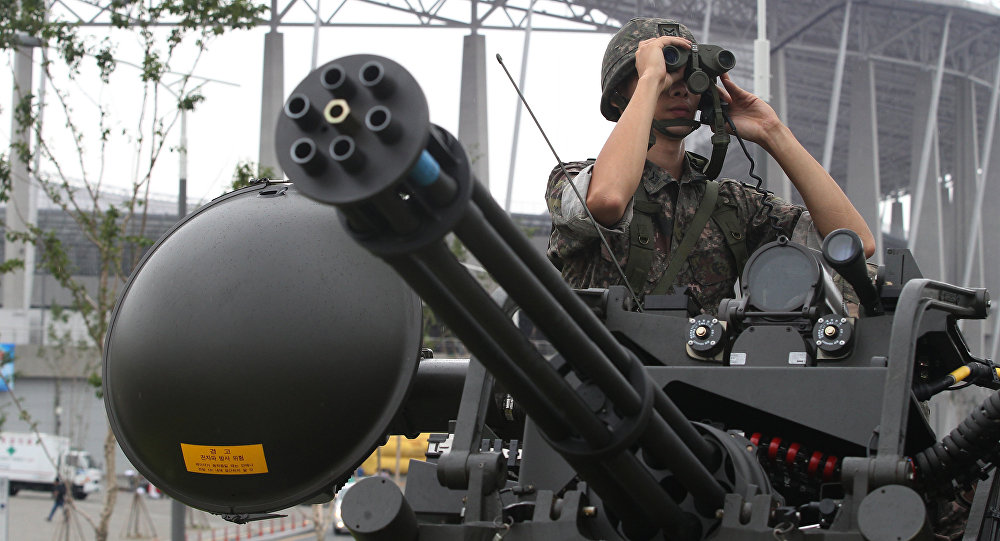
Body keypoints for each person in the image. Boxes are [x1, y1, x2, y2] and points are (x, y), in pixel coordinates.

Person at [546, 17, 875, 314]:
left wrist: (773, 133)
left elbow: (855, 244)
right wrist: (650, 79)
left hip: (697, 376)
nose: (678, 88)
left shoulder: (730, 205)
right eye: (665, 76)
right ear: (618, 98)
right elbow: (607, 201)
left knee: (864, 287)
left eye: (689, 76)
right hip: (600, 373)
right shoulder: (572, 180)